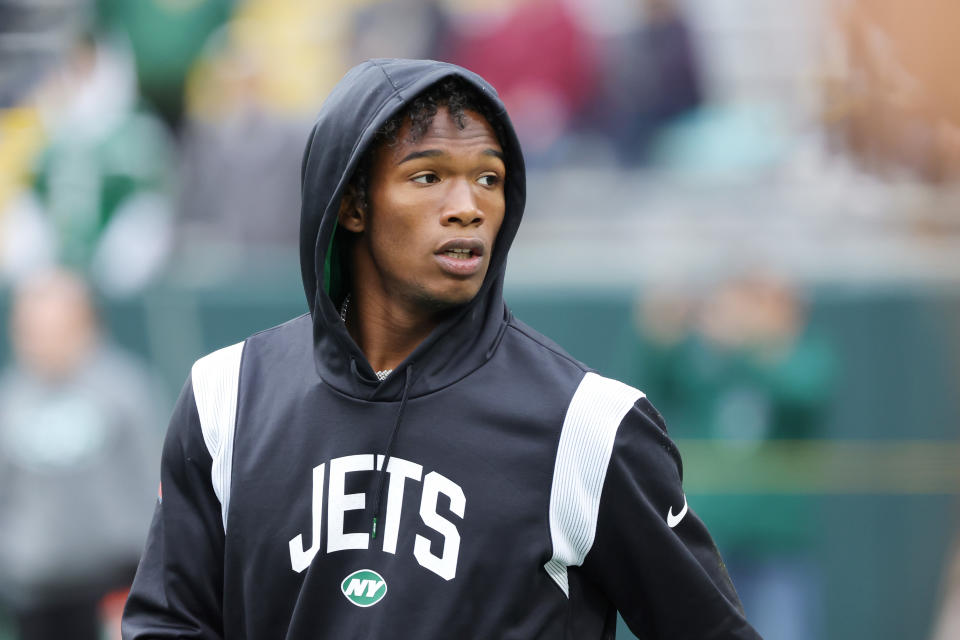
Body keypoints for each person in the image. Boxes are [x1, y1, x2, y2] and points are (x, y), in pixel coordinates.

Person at [122, 58, 760, 639]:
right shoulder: (225, 396)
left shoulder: (589, 426)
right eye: (427, 176)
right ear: (351, 203)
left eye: (489, 177)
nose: (467, 207)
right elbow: (168, 624)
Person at [0, 268, 161, 640]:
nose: (44, 342)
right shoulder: (9, 401)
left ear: (87, 326)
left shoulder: (125, 391)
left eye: (57, 328)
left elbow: (150, 482)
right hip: (33, 590)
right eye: (33, 330)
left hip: (111, 584)